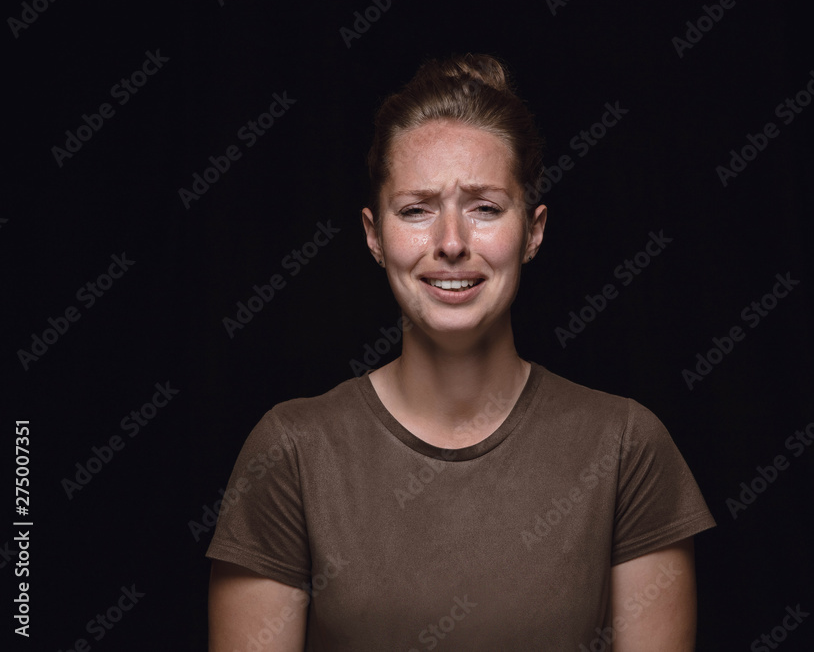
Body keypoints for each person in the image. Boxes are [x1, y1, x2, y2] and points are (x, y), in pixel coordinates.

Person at [206, 53, 716, 651]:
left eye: (485, 208)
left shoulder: (626, 448)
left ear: (533, 231)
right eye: (416, 210)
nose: (451, 243)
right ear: (374, 235)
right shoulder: (291, 452)